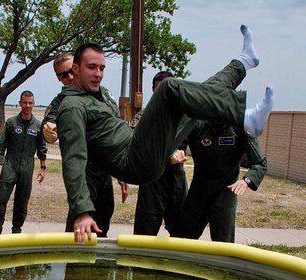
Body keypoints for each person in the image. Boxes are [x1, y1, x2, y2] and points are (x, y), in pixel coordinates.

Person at [54, 25, 274, 244]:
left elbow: (104, 141)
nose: (98, 74)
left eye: (102, 68)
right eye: (92, 67)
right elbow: (74, 159)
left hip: (140, 150)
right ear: (75, 69)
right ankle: (243, 117)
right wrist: (82, 211)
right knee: (168, 89)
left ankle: (243, 62)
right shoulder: (72, 106)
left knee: (196, 104)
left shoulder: (98, 96)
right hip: (135, 159)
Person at [42, 53, 128, 236]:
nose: (70, 77)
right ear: (59, 78)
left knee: (103, 220)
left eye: (71, 71)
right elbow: (49, 126)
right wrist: (48, 130)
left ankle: (98, 264)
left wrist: (121, 172)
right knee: (79, 226)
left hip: (104, 169)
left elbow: (116, 129)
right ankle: (75, 264)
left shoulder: (102, 94)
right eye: (63, 75)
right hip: (83, 173)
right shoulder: (63, 100)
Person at [174, 120, 267, 243]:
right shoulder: (197, 124)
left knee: (224, 243)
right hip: (199, 190)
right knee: (182, 239)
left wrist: (246, 181)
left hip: (225, 191)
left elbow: (260, 163)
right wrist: (176, 152)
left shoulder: (241, 127)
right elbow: (176, 145)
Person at [132, 71, 188, 236]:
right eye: (160, 90)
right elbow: (136, 145)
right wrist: (168, 154)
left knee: (181, 234)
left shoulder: (183, 117)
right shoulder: (143, 117)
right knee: (144, 235)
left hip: (176, 180)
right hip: (152, 181)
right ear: (153, 89)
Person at [0, 90, 47, 234]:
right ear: (20, 103)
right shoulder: (11, 123)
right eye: (25, 102)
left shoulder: (38, 126)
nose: (27, 106)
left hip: (27, 168)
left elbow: (42, 148)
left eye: (30, 103)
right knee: (0, 201)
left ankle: (16, 232)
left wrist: (43, 168)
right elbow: (1, 144)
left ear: (34, 104)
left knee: (22, 204)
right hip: (10, 165)